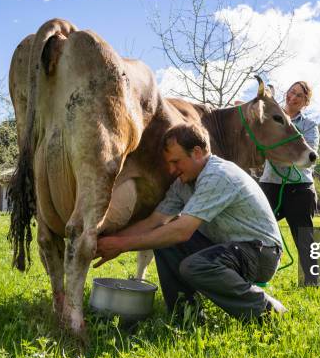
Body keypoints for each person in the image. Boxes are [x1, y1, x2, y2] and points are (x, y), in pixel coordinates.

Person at [94, 123, 286, 321]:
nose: (171, 170)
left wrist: (122, 245)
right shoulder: (183, 184)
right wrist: (107, 241)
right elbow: (155, 221)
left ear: (197, 152)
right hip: (228, 247)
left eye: (176, 162)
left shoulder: (217, 175)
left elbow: (182, 231)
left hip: (261, 253)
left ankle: (267, 311)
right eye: (169, 163)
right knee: (164, 241)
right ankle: (186, 314)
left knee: (194, 264)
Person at [259, 81, 319, 286]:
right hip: (270, 184)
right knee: (256, 230)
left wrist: (281, 147)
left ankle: (311, 282)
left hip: (300, 188)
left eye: (299, 96)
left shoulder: (310, 126)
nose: (293, 98)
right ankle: (253, 274)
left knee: (304, 238)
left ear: (306, 103)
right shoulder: (269, 118)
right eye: (291, 92)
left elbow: (309, 156)